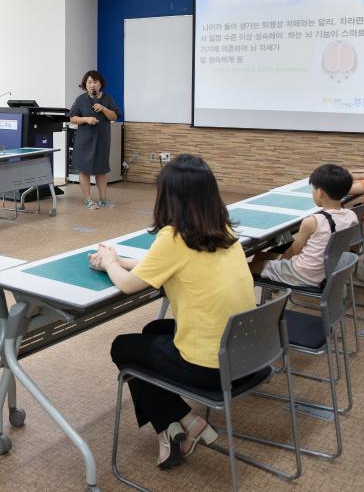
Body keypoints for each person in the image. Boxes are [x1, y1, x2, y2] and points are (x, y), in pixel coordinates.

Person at [89, 154, 255, 469]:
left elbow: (126, 285)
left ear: (168, 197)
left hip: (212, 367)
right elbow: (171, 266)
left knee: (123, 347)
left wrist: (111, 261)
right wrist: (125, 260)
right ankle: (173, 426)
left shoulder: (175, 237)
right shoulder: (225, 232)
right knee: (153, 332)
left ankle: (182, 422)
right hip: (247, 353)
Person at [250, 164, 358, 287]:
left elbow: (292, 252)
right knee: (261, 255)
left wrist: (277, 262)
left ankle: (271, 284)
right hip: (329, 268)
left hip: (303, 274)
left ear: (320, 192)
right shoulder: (351, 216)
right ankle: (273, 279)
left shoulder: (312, 221)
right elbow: (353, 246)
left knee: (250, 267)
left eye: (312, 189)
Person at [69, 70, 121, 210]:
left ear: (100, 84)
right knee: (84, 170)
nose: (92, 85)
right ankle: (88, 200)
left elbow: (115, 116)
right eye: (89, 82)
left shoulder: (108, 98)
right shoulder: (80, 100)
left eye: (95, 82)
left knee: (101, 170)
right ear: (85, 85)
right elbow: (72, 118)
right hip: (84, 140)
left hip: (102, 140)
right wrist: (86, 119)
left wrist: (103, 108)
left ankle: (103, 200)